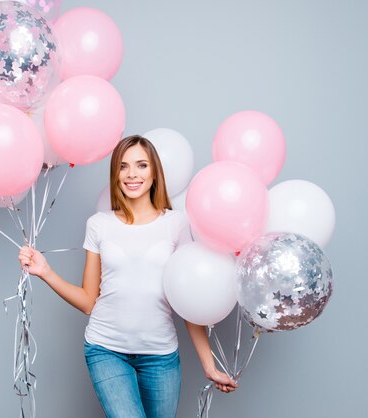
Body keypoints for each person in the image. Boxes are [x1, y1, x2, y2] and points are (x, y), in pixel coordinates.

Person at [19, 135, 237, 418]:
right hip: (106, 350)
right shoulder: (99, 225)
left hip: (160, 356)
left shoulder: (177, 224)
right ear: (116, 174)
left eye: (141, 165)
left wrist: (209, 365)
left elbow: (188, 301)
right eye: (123, 166)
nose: (132, 174)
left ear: (154, 172)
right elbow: (88, 301)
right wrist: (46, 272)